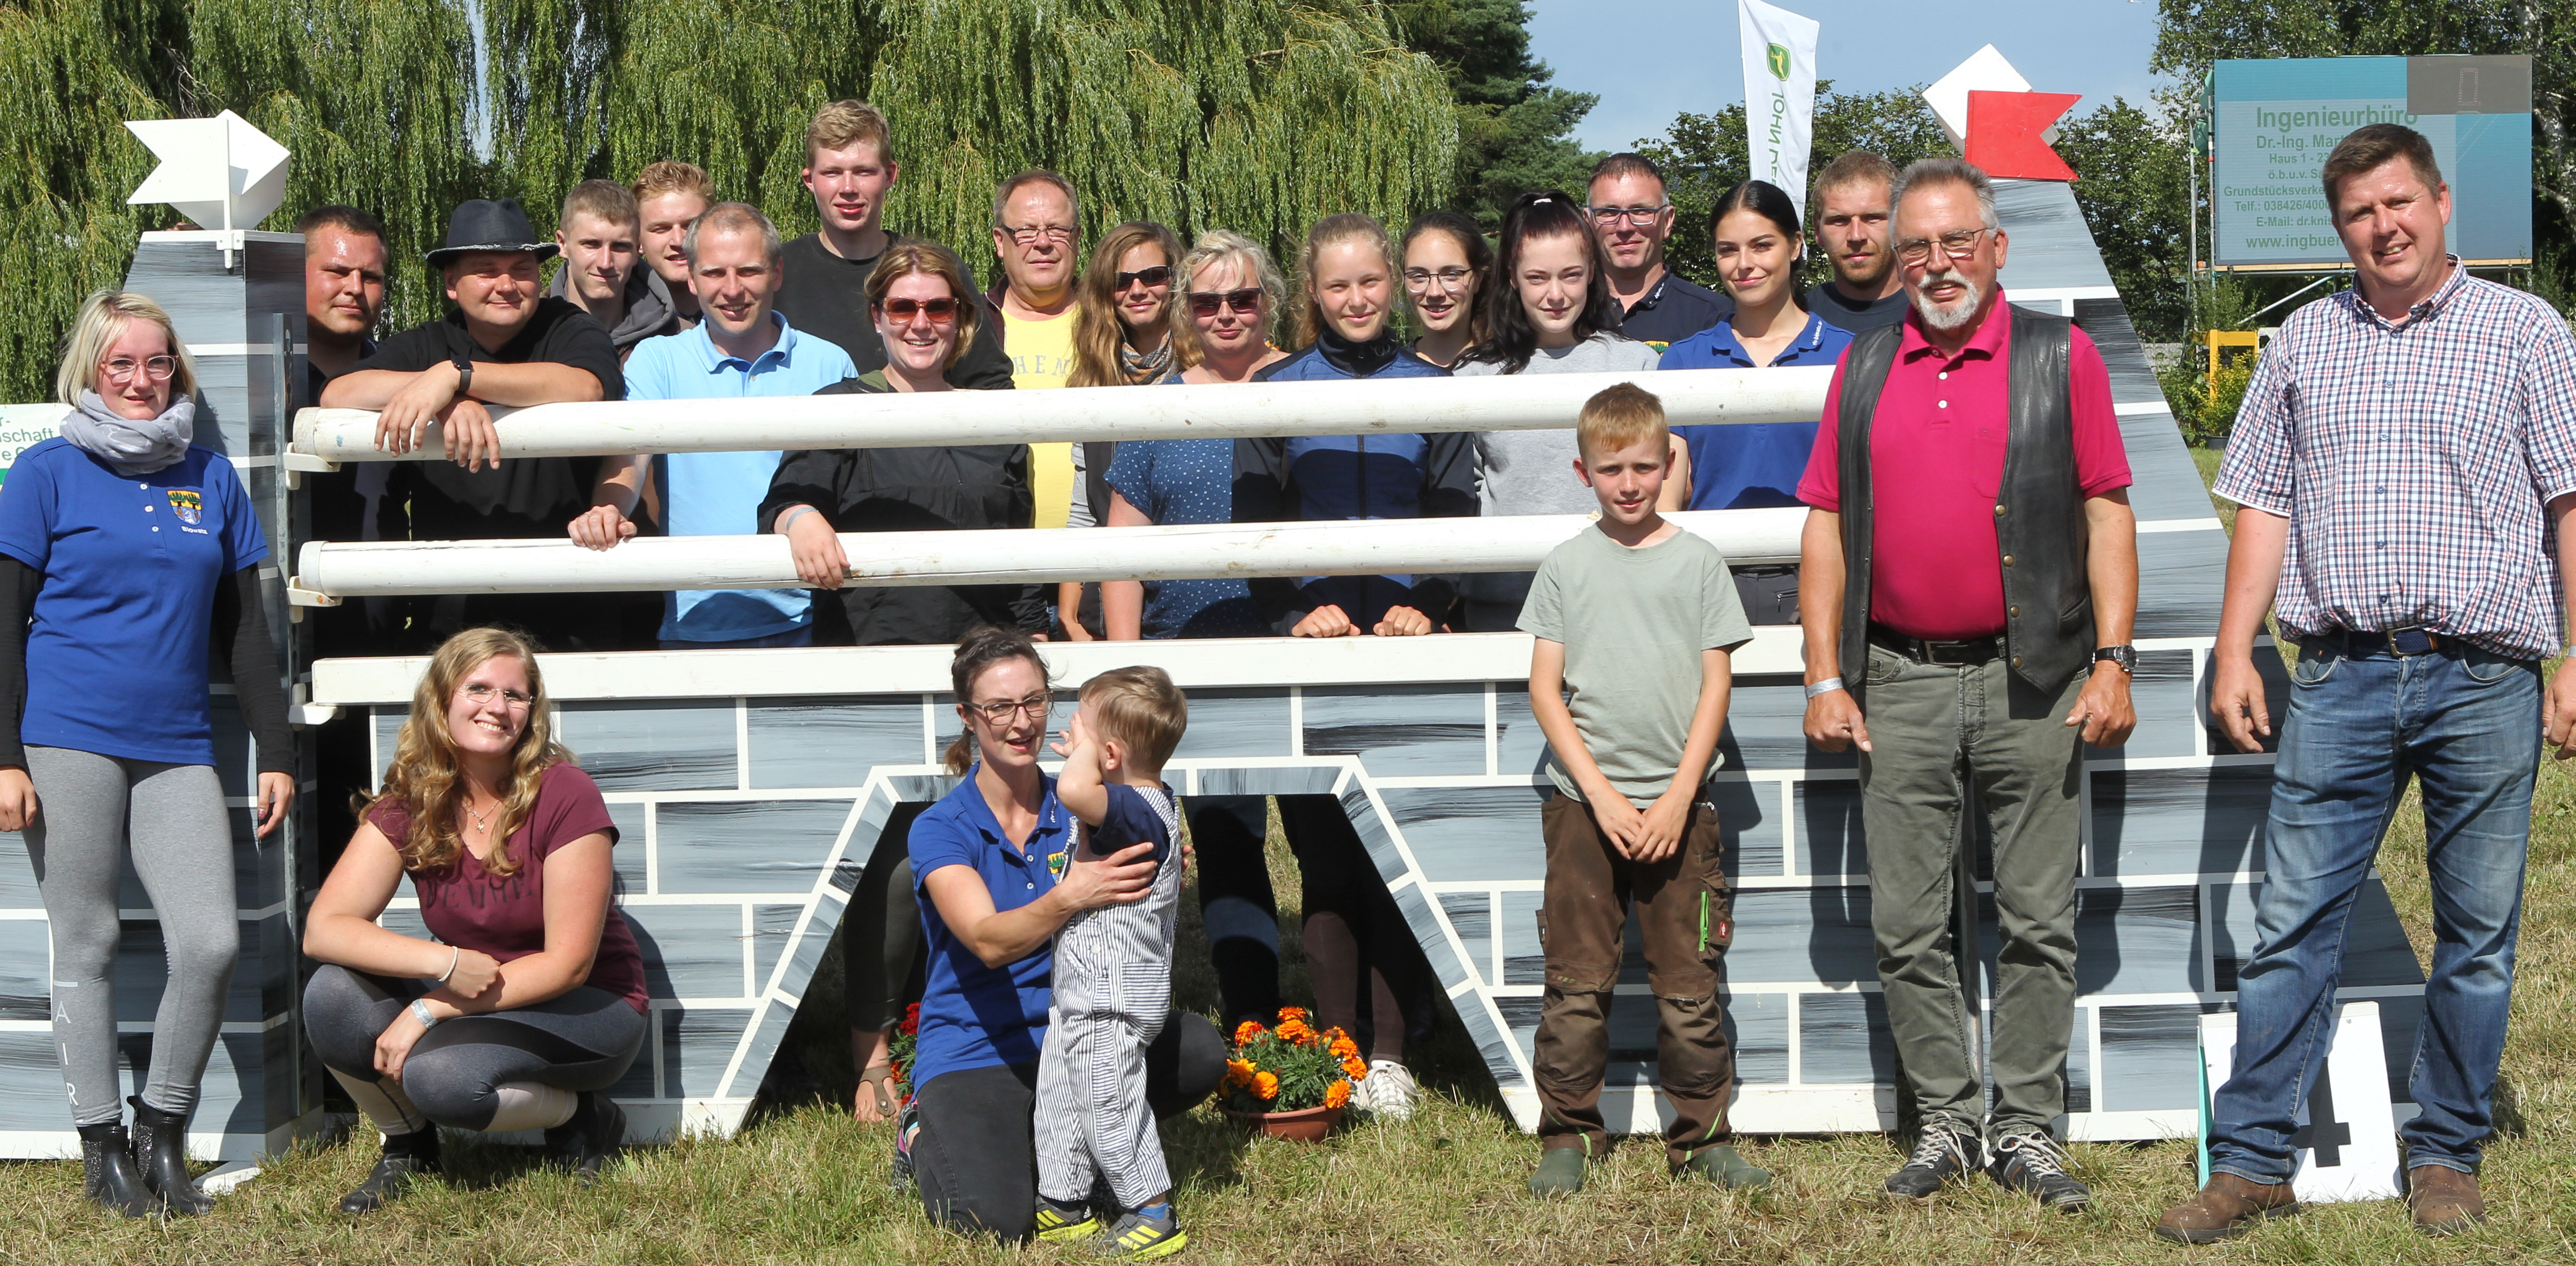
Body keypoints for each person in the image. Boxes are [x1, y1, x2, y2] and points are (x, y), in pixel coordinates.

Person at [2159, 124, 2576, 1244]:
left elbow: (2569, 503)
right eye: (2359, 213)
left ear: (2442, 203)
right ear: (2339, 227)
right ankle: (2253, 1162)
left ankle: (2446, 1155)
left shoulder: (2527, 333)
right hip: (2337, 675)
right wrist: (2236, 644)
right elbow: (2262, 505)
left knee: (2477, 931)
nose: (2384, 227)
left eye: (2400, 204)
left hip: (2484, 676)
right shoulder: (2301, 343)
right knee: (2293, 920)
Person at [1796, 157, 2137, 1212]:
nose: (1937, 265)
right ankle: (1944, 1121)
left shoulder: (2060, 354)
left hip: (2039, 677)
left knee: (2038, 918)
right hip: (1897, 678)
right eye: (1916, 249)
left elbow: (2106, 511)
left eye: (1956, 244)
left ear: (1995, 248)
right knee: (1908, 925)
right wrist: (1823, 673)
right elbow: (1826, 526)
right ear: (1893, 263)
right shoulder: (1860, 366)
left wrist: (2117, 659)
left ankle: (2028, 1128)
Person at [0, 290, 295, 1218]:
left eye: (156, 362)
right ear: (91, 370)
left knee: (208, 943)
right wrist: (4, 754)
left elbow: (246, 632)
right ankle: (101, 1151)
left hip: (177, 745)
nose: (139, 379)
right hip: (66, 735)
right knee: (85, 941)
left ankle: (161, 1134)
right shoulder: (45, 471)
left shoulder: (210, 477)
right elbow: (3, 624)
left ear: (179, 371)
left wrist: (276, 748)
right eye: (120, 363)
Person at [758, 241, 1036, 1124]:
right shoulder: (842, 406)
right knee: (888, 877)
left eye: (938, 309)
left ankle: (974, 1039)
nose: (921, 323)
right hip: (871, 665)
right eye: (904, 309)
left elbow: (1022, 556)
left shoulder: (996, 417)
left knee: (990, 868)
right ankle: (874, 1057)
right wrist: (802, 518)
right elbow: (789, 498)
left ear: (963, 321)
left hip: (984, 676)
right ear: (877, 318)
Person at [1235, 213, 1466, 1118]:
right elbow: (1249, 528)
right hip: (1316, 641)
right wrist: (1294, 610)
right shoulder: (1275, 390)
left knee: (1397, 850)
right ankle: (1337, 1051)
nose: (1357, 299)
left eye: (1371, 281)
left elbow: (1456, 516)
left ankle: (1395, 1055)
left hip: (1408, 638)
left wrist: (1433, 602)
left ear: (1393, 283)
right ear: (1312, 294)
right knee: (1326, 858)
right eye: (1337, 286)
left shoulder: (1434, 388)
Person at [301, 629, 647, 1214]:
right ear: (441, 701)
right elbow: (325, 929)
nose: (497, 707)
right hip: (480, 990)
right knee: (332, 995)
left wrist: (428, 1006)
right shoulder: (411, 800)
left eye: (516, 695)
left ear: (532, 713)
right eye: (479, 688)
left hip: (589, 1005)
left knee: (443, 1079)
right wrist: (446, 963)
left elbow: (569, 964)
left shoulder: (566, 793)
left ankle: (584, 1120)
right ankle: (408, 1146)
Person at [1519, 383, 1766, 1197]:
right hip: (1582, 809)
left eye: (1644, 467)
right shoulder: (1566, 565)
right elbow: (1547, 691)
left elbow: (1715, 687)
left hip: (1681, 811)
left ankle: (1701, 1137)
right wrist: (1602, 795)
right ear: (1583, 470)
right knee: (1577, 980)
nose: (1630, 483)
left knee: (1690, 981)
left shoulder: (1698, 563)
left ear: (1670, 465)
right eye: (1612, 468)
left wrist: (1673, 798)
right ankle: (1568, 1134)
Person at [906, 628, 1221, 1241]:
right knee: (993, 1221)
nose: (1021, 722)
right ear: (968, 717)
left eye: (1035, 701)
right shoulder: (940, 827)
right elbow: (989, 942)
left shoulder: (1086, 810)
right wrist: (1071, 894)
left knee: (1201, 1050)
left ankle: (1077, 1160)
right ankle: (921, 1132)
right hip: (979, 1050)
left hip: (1075, 1025)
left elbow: (1148, 828)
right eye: (999, 707)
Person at [1102, 230, 1286, 1033]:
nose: (1226, 313)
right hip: (1189, 660)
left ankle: (1387, 1019)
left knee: (1328, 836)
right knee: (1226, 834)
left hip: (1299, 644)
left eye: (1242, 297)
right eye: (1207, 300)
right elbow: (1121, 552)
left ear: (1269, 301)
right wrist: (1123, 670)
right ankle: (1253, 1012)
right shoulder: (1157, 408)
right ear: (1185, 311)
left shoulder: (1307, 387)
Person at [321, 198, 625, 652]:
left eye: (522, 269)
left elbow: (586, 387)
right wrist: (448, 400)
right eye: (486, 270)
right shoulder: (427, 343)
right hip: (452, 622)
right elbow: (337, 393)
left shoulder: (569, 328)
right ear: (451, 283)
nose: (506, 285)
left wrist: (456, 377)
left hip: (570, 608)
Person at [567, 203, 853, 648]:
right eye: (715, 273)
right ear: (693, 277)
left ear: (777, 274)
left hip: (814, 622)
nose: (733, 289)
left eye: (750, 271)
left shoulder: (830, 362)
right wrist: (609, 509)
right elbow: (630, 455)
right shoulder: (657, 360)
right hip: (694, 624)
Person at [1032, 667, 1192, 1256]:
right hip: (1082, 990)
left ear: (1112, 753)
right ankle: (1063, 1199)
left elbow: (1073, 792)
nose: (1067, 733)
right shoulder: (1129, 805)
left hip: (1113, 995)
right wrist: (1087, 749)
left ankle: (1150, 1206)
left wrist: (1081, 759)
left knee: (1107, 1102)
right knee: (1062, 1093)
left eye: (1080, 725)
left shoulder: (1138, 808)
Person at [1453, 190, 1661, 632]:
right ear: (1512, 276)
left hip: (1617, 600)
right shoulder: (1472, 376)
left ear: (1591, 273)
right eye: (1537, 277)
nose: (1556, 295)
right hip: (1505, 605)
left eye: (1570, 275)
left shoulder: (1637, 365)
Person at [1661, 180, 1855, 626]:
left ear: (1795, 246)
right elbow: (1666, 496)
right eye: (1728, 250)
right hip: (1709, 583)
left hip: (1822, 580)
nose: (1744, 265)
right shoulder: (1684, 360)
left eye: (1762, 246)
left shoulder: (1850, 355)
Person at [774, 100, 1011, 389]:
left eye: (863, 172)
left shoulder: (935, 271)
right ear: (810, 180)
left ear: (890, 175)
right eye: (833, 173)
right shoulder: (777, 274)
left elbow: (989, 382)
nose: (848, 188)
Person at [1056, 219, 1184, 642]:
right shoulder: (1091, 386)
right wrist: (1069, 614)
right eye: (1122, 281)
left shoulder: (1205, 377)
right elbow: (1083, 513)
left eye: (1154, 277)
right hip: (1106, 607)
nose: (1138, 290)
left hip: (1184, 596)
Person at [987, 170, 1084, 539]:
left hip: (1099, 563)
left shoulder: (1111, 325)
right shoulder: (967, 330)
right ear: (1000, 241)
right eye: (1026, 231)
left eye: (1057, 229)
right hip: (999, 565)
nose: (1042, 243)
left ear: (1076, 239)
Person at [1584, 153, 1732, 351]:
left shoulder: (1715, 318)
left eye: (1640, 211)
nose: (1625, 227)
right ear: (1588, 223)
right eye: (1609, 213)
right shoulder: (1562, 315)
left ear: (1667, 221)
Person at [547, 179, 679, 360]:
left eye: (620, 247)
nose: (605, 263)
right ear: (562, 244)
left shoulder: (678, 340)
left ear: (636, 251)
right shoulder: (528, 336)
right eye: (591, 245)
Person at [1803, 152, 1909, 334]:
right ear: (1818, 230)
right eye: (1840, 220)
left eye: (1872, 218)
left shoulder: (1936, 318)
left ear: (1900, 222)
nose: (1856, 236)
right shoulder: (1797, 319)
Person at [1400, 210, 1490, 369]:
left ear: (1478, 279)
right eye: (1419, 276)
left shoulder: (1511, 371)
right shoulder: (1389, 377)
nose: (1434, 292)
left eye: (1451, 275)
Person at [633, 160, 713, 330]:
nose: (679, 241)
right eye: (661, 229)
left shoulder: (762, 305)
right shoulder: (620, 321)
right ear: (638, 241)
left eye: (690, 226)